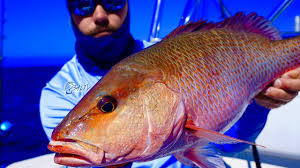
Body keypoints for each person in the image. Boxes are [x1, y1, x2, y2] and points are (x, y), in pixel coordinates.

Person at [39, 0, 300, 167]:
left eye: (112, 1)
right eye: (83, 5)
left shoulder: (163, 50)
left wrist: (261, 103)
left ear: (128, 5)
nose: (99, 15)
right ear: (70, 13)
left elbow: (235, 143)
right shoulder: (58, 94)